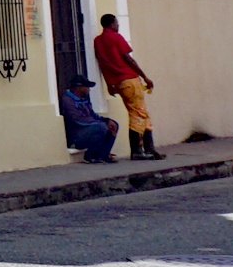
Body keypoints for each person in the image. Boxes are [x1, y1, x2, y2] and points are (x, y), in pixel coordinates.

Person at [94, 13, 160, 161]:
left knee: (142, 113)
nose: (118, 25)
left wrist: (109, 84)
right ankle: (137, 150)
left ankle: (149, 149)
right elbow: (128, 59)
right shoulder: (116, 37)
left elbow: (102, 65)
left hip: (119, 83)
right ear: (112, 24)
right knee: (137, 114)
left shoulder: (98, 41)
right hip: (130, 79)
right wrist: (145, 77)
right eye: (117, 23)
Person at [56, 75, 117, 163]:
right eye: (87, 87)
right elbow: (77, 119)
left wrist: (106, 120)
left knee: (113, 125)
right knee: (101, 127)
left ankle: (103, 155)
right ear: (79, 88)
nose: (89, 89)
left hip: (88, 128)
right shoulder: (68, 100)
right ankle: (90, 155)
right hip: (77, 134)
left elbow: (93, 115)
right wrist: (100, 123)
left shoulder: (84, 99)